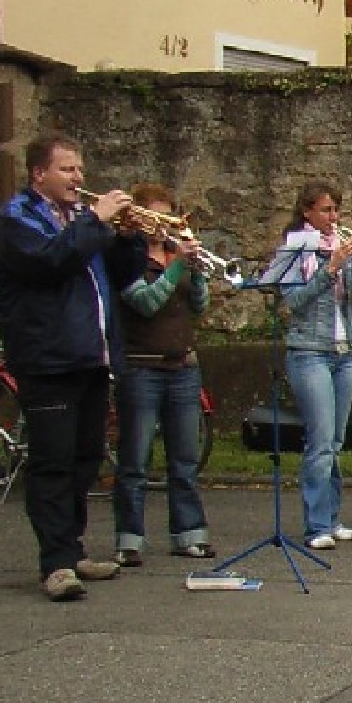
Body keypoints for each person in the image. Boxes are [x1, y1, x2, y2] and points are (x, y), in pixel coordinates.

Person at [0, 133, 143, 600]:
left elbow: (124, 276)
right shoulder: (15, 220)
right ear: (39, 174)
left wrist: (129, 239)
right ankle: (55, 563)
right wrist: (96, 220)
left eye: (80, 169)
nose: (79, 178)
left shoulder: (79, 220)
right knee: (52, 462)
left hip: (90, 356)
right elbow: (51, 262)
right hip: (47, 358)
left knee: (86, 457)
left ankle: (72, 549)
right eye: (67, 169)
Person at [108, 183, 216, 565]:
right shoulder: (128, 256)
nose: (163, 225)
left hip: (183, 366)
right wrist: (177, 266)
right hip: (141, 366)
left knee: (185, 460)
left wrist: (197, 272)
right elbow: (146, 303)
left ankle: (189, 534)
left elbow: (199, 307)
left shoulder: (175, 253)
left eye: (168, 217)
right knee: (135, 461)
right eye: (156, 216)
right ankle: (129, 539)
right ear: (138, 218)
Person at [276, 182, 352, 552]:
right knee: (320, 441)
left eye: (336, 210)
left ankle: (332, 518)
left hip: (344, 350)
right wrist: (330, 269)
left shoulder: (343, 245)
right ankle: (316, 525)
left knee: (336, 442)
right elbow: (293, 302)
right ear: (306, 212)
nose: (333, 217)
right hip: (309, 351)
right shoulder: (295, 250)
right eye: (325, 210)